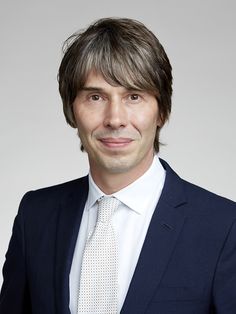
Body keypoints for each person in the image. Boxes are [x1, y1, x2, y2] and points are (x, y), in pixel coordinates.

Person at [0, 17, 236, 314]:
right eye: (95, 97)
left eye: (134, 96)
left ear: (162, 110)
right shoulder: (35, 216)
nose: (115, 118)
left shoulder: (225, 227)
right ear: (71, 110)